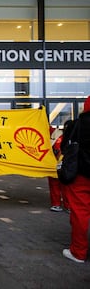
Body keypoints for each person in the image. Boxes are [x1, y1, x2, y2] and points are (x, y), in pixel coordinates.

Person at [62, 95, 90, 263]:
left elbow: (66, 147)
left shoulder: (78, 124)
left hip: (81, 174)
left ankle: (78, 252)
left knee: (80, 213)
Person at [48, 126, 69, 212]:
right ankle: (64, 205)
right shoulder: (57, 133)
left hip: (58, 163)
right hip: (59, 163)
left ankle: (58, 204)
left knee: (60, 185)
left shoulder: (55, 133)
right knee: (61, 185)